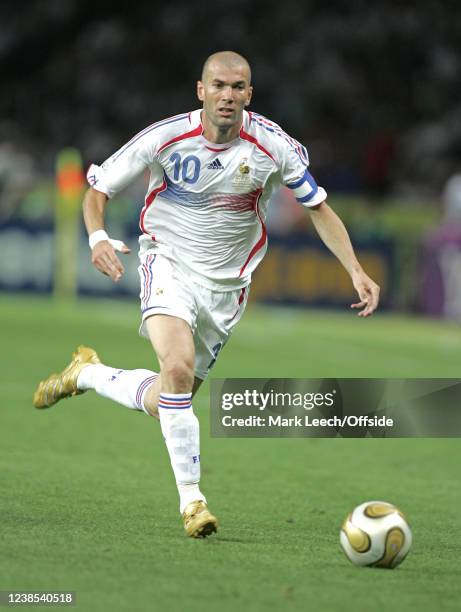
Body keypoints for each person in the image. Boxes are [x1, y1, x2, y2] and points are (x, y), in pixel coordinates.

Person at [33, 51, 380, 538]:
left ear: (249, 95)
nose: (227, 95)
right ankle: (192, 501)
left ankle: (88, 373)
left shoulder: (273, 146)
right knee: (175, 369)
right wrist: (96, 238)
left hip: (227, 290)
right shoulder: (166, 136)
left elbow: (319, 208)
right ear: (201, 90)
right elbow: (98, 190)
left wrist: (355, 270)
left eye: (238, 87)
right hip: (166, 261)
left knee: (167, 398)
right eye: (218, 85)